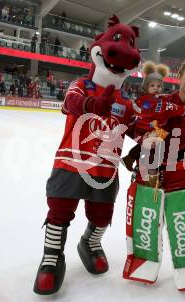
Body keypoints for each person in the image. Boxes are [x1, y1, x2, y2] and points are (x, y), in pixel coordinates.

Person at [33, 15, 141, 295]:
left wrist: (152, 136)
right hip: (71, 163)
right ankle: (52, 257)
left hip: (105, 170)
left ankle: (90, 243)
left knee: (103, 215)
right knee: (59, 210)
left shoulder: (126, 103)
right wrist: (94, 103)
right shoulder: (82, 84)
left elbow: (136, 129)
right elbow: (70, 102)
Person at [123, 58, 185, 291]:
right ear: (179, 78)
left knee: (184, 227)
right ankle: (141, 266)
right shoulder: (159, 101)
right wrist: (144, 139)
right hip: (150, 173)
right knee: (146, 224)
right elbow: (135, 127)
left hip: (182, 176)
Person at [121, 60, 185, 176]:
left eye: (158, 86)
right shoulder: (159, 103)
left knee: (146, 144)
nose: (156, 88)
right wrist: (182, 109)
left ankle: (129, 158)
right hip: (151, 130)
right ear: (146, 87)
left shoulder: (143, 99)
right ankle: (152, 169)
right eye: (152, 86)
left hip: (142, 130)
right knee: (157, 146)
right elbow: (171, 108)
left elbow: (134, 107)